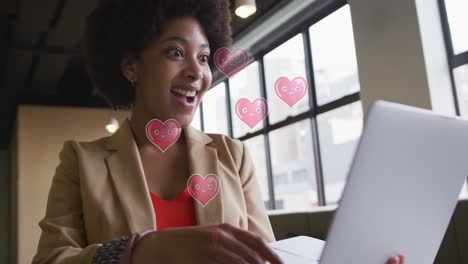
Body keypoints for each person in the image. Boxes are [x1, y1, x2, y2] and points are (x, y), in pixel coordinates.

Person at [32, 0, 405, 263]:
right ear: (131, 66)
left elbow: (267, 259)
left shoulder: (232, 156)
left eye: (205, 57)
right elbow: (52, 260)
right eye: (176, 53)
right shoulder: (82, 161)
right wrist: (143, 251)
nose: (198, 72)